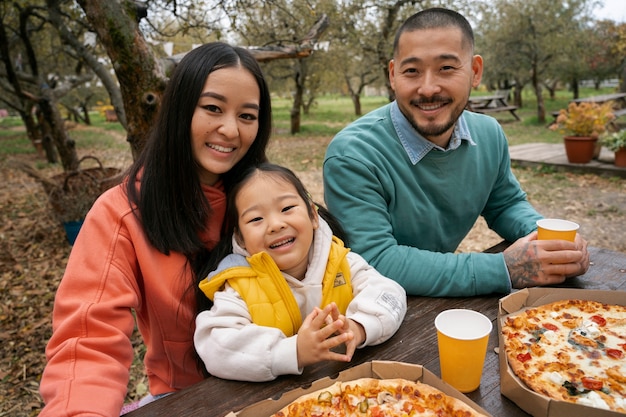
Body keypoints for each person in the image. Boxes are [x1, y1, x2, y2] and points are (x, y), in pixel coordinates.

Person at [39, 42, 272, 416]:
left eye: (247, 115)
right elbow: (87, 340)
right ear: (179, 109)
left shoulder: (268, 199)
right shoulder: (121, 214)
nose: (230, 129)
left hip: (289, 382)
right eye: (212, 108)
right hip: (191, 401)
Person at [322, 8, 590, 297]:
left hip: (439, 305)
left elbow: (505, 204)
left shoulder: (489, 134)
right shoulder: (353, 155)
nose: (428, 88)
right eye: (411, 71)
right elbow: (375, 260)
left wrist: (552, 241)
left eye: (446, 68)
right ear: (392, 75)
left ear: (475, 72)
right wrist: (504, 269)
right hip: (369, 312)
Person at [193, 163, 407, 382]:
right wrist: (292, 351)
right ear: (240, 239)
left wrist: (359, 327)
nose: (275, 225)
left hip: (350, 387)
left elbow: (390, 294)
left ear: (313, 216)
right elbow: (216, 345)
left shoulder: (341, 261)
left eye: (286, 208)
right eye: (256, 219)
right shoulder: (240, 284)